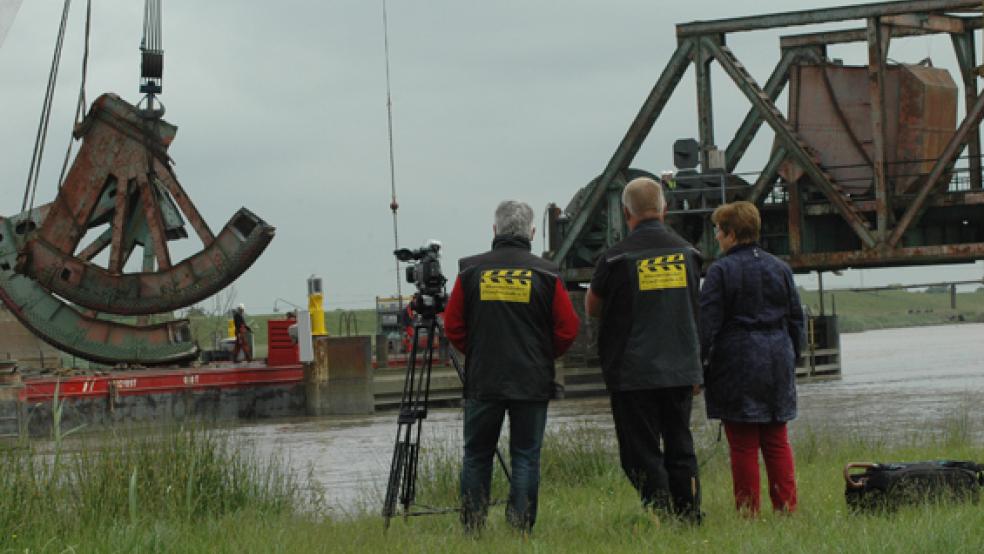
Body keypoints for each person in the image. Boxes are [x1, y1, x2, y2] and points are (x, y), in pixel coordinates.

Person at [444, 200, 580, 533]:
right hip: (531, 381)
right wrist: (544, 356)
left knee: (476, 454)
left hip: (483, 379)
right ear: (532, 233)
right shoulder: (547, 274)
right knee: (525, 455)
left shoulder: (469, 271)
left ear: (494, 230)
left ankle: (473, 527)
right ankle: (520, 528)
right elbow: (568, 329)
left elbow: (452, 326)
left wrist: (476, 352)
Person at [585, 177, 703, 523]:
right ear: (664, 209)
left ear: (626, 213)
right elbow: (694, 307)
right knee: (681, 444)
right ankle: (689, 514)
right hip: (680, 367)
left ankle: (660, 511)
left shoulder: (615, 258)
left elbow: (592, 306)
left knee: (639, 450)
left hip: (632, 372)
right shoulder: (689, 254)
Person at [698, 201, 804, 515]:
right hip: (777, 357)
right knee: (776, 438)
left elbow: (708, 324)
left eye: (718, 230)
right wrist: (790, 356)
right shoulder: (780, 267)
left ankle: (748, 511)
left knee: (743, 443)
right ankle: (786, 508)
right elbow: (796, 319)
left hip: (738, 358)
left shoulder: (720, 271)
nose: (716, 236)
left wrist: (700, 366)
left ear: (731, 234)